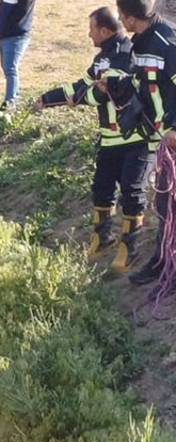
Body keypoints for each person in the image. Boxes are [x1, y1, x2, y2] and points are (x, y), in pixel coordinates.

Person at [34, 7, 148, 269]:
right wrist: (47, 99)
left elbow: (106, 92)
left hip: (133, 138)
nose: (88, 34)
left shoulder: (125, 53)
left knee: (132, 192)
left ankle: (129, 249)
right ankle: (102, 240)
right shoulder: (102, 58)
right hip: (109, 140)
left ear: (105, 31)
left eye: (92, 29)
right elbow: (81, 87)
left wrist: (85, 96)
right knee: (101, 190)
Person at [106, 0, 176, 285]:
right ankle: (163, 262)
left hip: (172, 139)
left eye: (121, 15)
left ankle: (165, 265)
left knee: (168, 204)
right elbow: (144, 84)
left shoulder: (167, 43)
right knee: (164, 204)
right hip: (159, 138)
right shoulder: (140, 43)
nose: (120, 19)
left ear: (132, 18)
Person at [0, 0, 37, 112]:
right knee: (7, 68)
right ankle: (10, 102)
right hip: (5, 35)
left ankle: (10, 104)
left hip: (15, 35)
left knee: (10, 69)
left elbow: (18, 11)